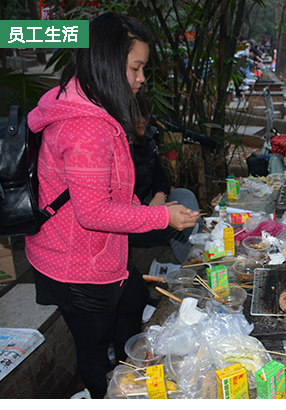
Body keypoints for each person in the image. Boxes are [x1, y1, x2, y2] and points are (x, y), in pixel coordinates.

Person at [25, 13, 199, 399]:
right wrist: (163, 215)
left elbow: (106, 191)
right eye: (136, 68)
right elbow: (93, 213)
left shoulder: (89, 107)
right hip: (75, 265)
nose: (141, 79)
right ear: (107, 61)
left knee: (135, 297)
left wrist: (148, 204)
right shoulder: (86, 127)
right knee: (93, 346)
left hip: (98, 255)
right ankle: (107, 392)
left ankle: (127, 370)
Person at [129, 123, 201, 264]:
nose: (141, 120)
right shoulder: (118, 144)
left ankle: (200, 251)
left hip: (149, 200)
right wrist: (155, 213)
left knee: (185, 197)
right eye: (136, 116)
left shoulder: (147, 138)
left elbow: (159, 174)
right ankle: (189, 267)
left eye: (144, 115)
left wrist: (160, 196)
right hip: (129, 214)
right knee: (179, 225)